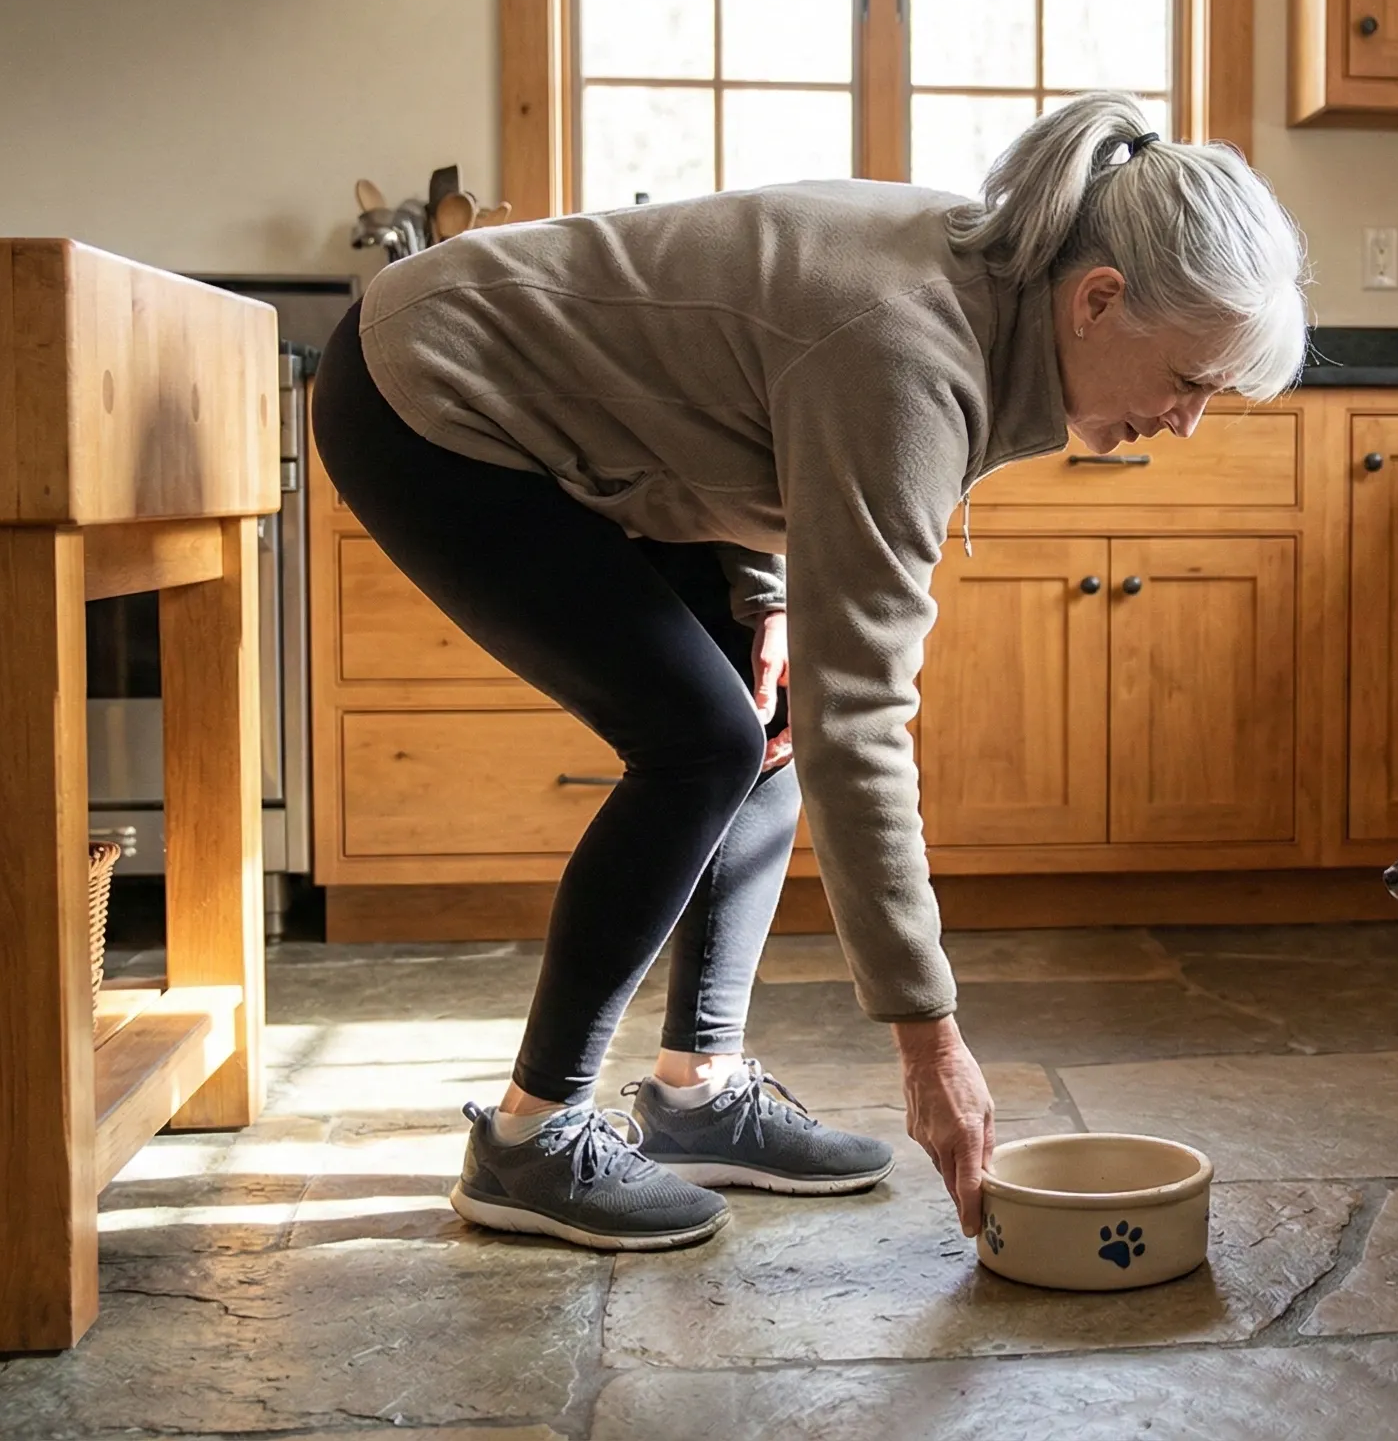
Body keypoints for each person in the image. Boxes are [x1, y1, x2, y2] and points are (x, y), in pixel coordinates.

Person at [310, 93, 1309, 1250]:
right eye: (1190, 380)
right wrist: (927, 1036)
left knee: (764, 726)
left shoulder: (988, 293)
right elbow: (864, 714)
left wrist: (768, 599)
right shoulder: (907, 347)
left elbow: (726, 387)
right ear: (1098, 300)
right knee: (701, 746)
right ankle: (529, 1140)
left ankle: (695, 1095)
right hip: (431, 392)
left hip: (598, 430)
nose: (1186, 423)